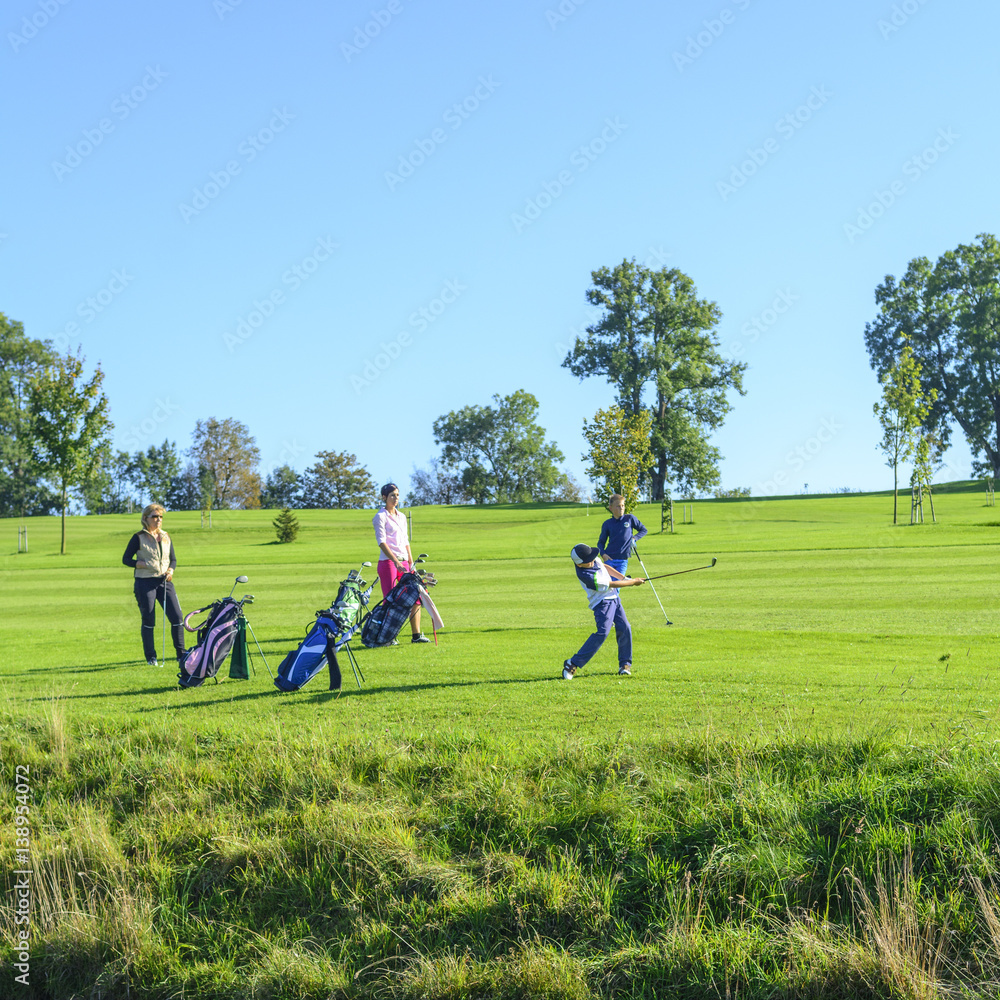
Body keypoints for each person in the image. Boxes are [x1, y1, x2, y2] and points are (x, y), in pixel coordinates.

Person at [563, 543, 644, 680]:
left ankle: (625, 664)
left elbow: (605, 567)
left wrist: (624, 578)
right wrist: (632, 583)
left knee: (625, 628)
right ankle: (573, 663)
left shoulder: (593, 559)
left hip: (614, 599)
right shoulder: (586, 575)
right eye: (588, 561)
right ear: (579, 564)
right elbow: (610, 584)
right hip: (602, 603)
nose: (592, 561)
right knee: (603, 632)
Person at [122, 503, 186, 667]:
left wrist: (171, 570)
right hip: (145, 582)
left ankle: (181, 655)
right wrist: (139, 564)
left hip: (165, 581)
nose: (158, 520)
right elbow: (126, 559)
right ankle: (151, 658)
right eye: (155, 517)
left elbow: (173, 559)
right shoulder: (138, 537)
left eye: (161, 517)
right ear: (146, 518)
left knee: (177, 618)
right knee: (149, 619)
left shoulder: (166, 536)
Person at [372, 483, 429, 643]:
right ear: (384, 497)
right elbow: (381, 542)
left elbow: (405, 541)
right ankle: (389, 636)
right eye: (392, 495)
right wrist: (395, 561)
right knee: (390, 600)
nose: (396, 498)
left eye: (397, 495)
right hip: (388, 563)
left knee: (415, 596)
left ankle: (416, 635)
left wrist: (411, 562)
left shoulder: (402, 516)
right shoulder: (380, 516)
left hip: (404, 562)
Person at [597, 493, 647, 578]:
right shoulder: (607, 524)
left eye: (623, 505)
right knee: (610, 585)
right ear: (611, 508)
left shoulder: (630, 518)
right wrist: (603, 554)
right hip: (609, 559)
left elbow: (643, 530)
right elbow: (601, 543)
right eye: (618, 506)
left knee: (617, 584)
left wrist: (634, 538)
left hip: (623, 560)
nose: (621, 508)